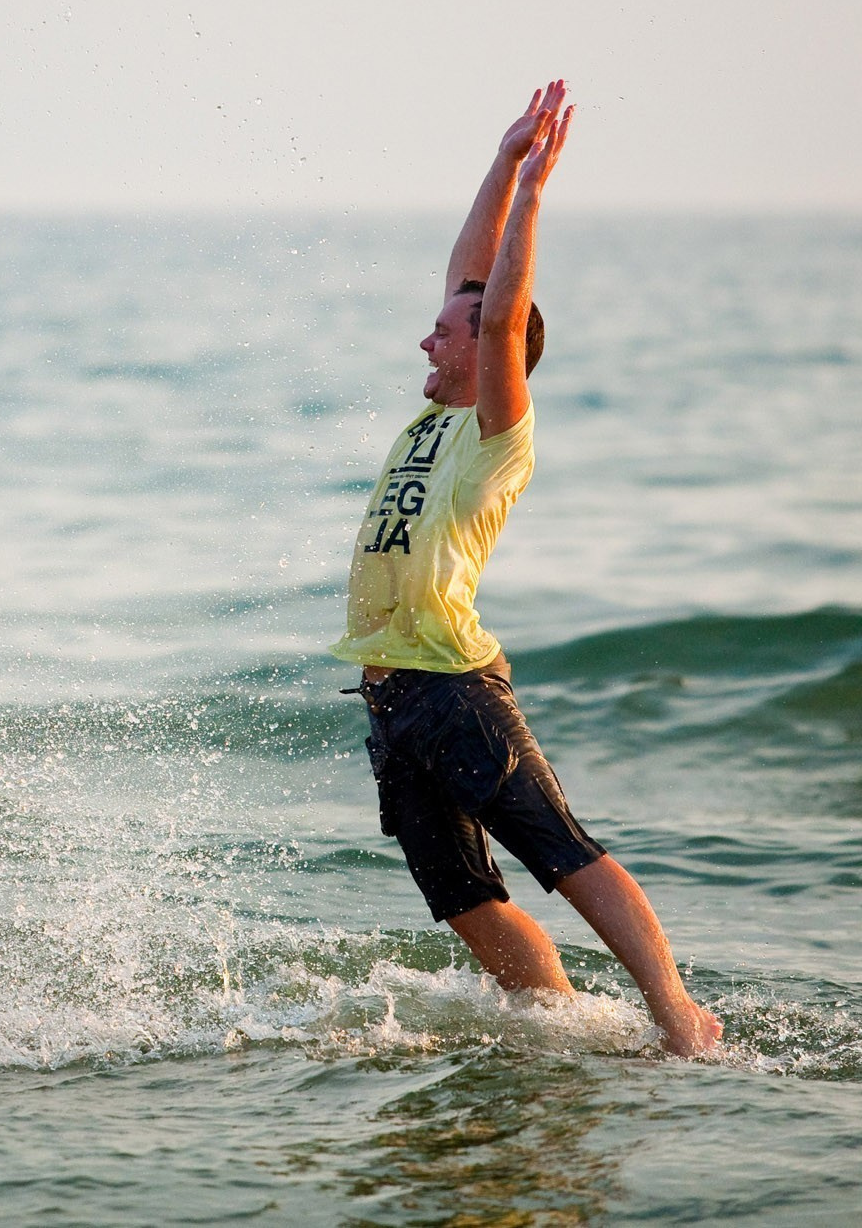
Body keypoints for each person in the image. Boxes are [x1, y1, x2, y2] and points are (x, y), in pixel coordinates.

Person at [331, 82, 721, 1056]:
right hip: (391, 699)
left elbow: (496, 313)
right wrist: (502, 164)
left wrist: (535, 197)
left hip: (454, 686)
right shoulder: (431, 413)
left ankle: (678, 1016)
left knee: (561, 852)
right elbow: (469, 282)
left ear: (487, 354)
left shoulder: (492, 433)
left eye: (444, 332)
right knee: (465, 901)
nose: (425, 336)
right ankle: (553, 1027)